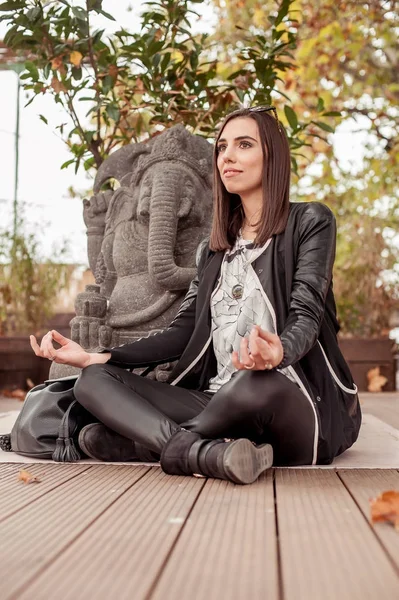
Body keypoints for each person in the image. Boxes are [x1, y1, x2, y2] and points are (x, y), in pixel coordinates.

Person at [30, 106, 361, 484]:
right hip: (215, 400)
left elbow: (308, 313)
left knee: (252, 383)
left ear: (273, 157)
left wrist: (277, 352)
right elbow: (182, 330)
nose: (227, 156)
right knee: (93, 379)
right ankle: (205, 452)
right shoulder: (213, 250)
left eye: (244, 144)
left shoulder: (310, 222)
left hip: (290, 399)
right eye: (222, 147)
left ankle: (153, 445)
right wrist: (97, 356)